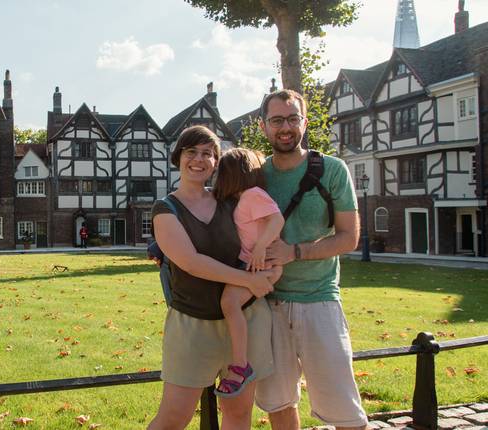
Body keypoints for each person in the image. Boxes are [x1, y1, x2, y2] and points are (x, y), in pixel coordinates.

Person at [148, 125, 275, 430]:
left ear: (217, 162)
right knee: (174, 417)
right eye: (192, 151)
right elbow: (191, 263)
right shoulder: (165, 209)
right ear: (179, 156)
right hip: (193, 325)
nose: (199, 159)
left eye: (208, 154)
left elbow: (264, 235)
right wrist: (248, 281)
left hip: (245, 322)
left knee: (239, 414)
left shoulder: (231, 203)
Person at [255, 89, 367, 430]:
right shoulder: (255, 174)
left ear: (305, 122)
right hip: (267, 304)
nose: (285, 128)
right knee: (279, 402)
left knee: (344, 410)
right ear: (263, 127)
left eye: (292, 119)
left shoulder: (332, 170)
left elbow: (349, 237)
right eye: (276, 120)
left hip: (319, 301)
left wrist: (295, 252)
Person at [211, 147, 284, 398]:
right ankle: (239, 362)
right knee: (230, 304)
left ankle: (240, 365)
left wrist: (261, 248)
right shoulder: (244, 198)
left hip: (259, 265)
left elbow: (277, 220)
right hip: (253, 264)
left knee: (229, 303)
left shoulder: (253, 194)